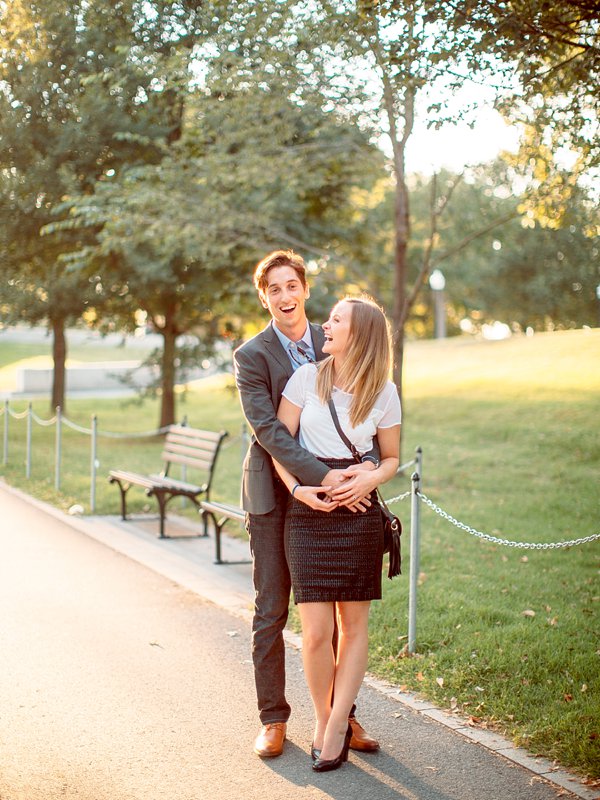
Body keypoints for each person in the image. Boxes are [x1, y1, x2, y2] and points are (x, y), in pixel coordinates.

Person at [234, 250, 381, 759]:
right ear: (264, 297)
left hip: (337, 494)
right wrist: (319, 477)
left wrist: (367, 467)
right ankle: (273, 718)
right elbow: (269, 429)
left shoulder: (335, 336)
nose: (284, 296)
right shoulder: (251, 356)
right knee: (272, 608)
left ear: (304, 288)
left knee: (337, 607)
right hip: (275, 497)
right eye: (273, 289)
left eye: (290, 285)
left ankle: (343, 718)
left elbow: (367, 404)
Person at [272, 295, 401, 772]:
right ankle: (328, 719)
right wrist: (299, 491)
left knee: (353, 627)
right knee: (315, 632)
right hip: (308, 512)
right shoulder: (306, 378)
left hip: (358, 513)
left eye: (336, 320)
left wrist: (370, 477)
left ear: (359, 334)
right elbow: (279, 445)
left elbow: (389, 458)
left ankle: (333, 727)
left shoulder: (384, 390)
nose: (325, 325)